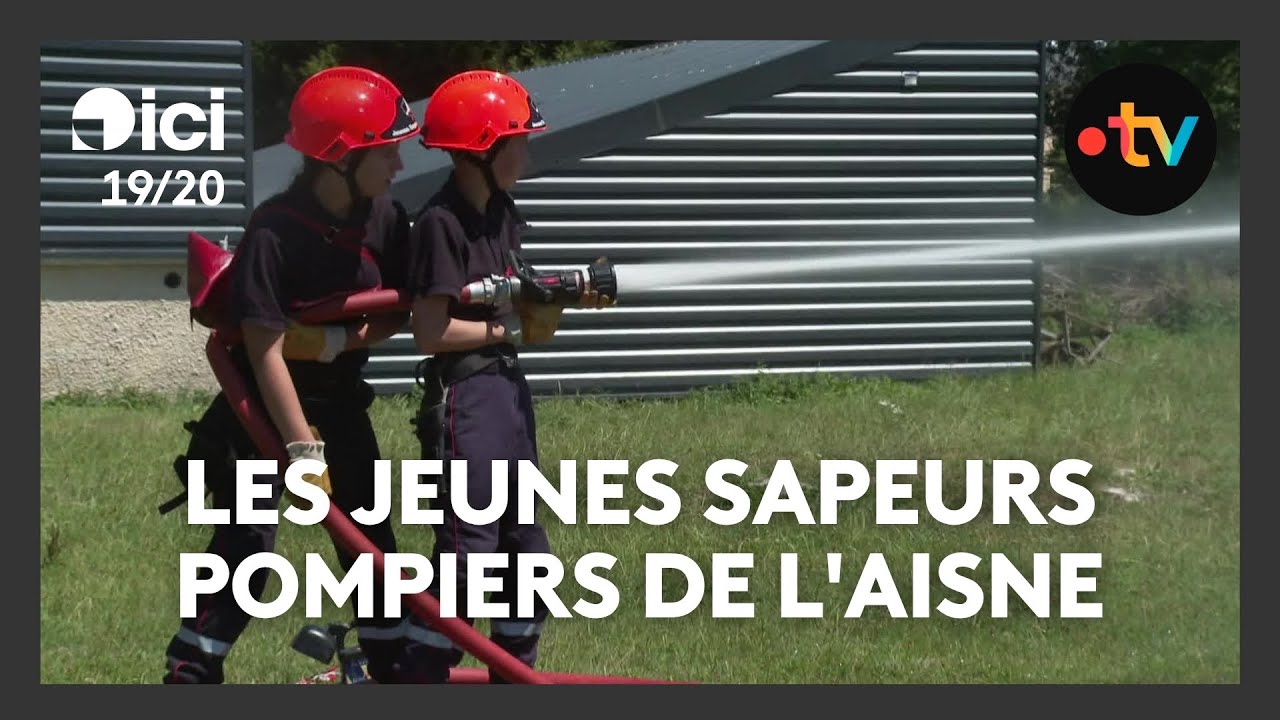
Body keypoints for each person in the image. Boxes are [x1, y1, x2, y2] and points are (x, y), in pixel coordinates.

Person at [163, 66, 428, 684]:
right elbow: (263, 350)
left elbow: (403, 309)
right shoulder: (273, 230)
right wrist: (301, 449)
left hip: (339, 405)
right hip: (260, 413)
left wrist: (340, 340)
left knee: (370, 551)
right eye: (384, 152)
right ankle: (191, 670)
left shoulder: (384, 219)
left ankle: (392, 669)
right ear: (338, 159)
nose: (396, 166)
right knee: (248, 553)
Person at [400, 69, 613, 684]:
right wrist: (512, 331)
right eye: (518, 141)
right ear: (482, 148)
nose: (527, 152)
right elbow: (431, 332)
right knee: (470, 556)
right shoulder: (442, 223)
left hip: (506, 393)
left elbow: (514, 292)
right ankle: (418, 672)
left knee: (525, 551)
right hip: (468, 398)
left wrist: (565, 294)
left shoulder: (499, 210)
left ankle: (515, 676)